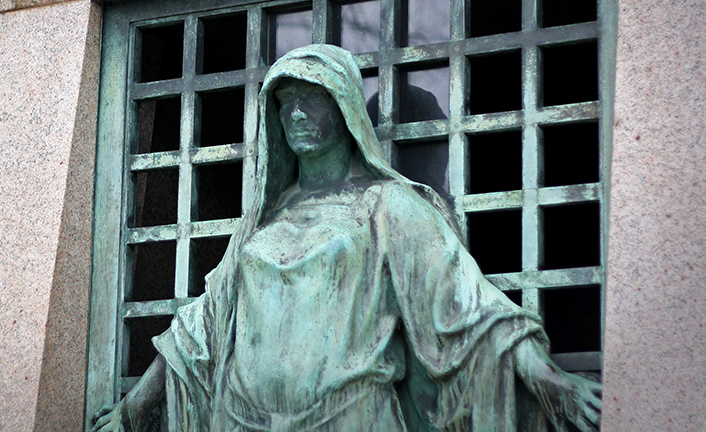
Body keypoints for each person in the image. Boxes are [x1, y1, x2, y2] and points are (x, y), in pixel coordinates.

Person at [93, 44, 601, 432]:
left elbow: (469, 308)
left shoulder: (390, 206)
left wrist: (549, 382)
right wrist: (130, 415)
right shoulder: (262, 219)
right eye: (286, 102)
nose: (295, 113)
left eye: (311, 99)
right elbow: (197, 332)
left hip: (350, 413)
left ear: (344, 108)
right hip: (239, 415)